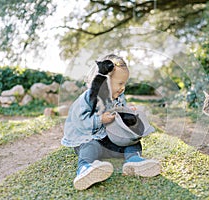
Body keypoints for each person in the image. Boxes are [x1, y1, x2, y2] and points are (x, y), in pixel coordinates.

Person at [61, 54, 161, 190]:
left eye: (124, 83)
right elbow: (80, 121)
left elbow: (118, 113)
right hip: (90, 138)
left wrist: (127, 111)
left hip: (110, 140)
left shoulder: (119, 96)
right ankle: (85, 168)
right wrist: (100, 119)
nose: (123, 87)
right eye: (120, 83)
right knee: (90, 146)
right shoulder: (89, 98)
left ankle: (134, 160)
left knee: (133, 142)